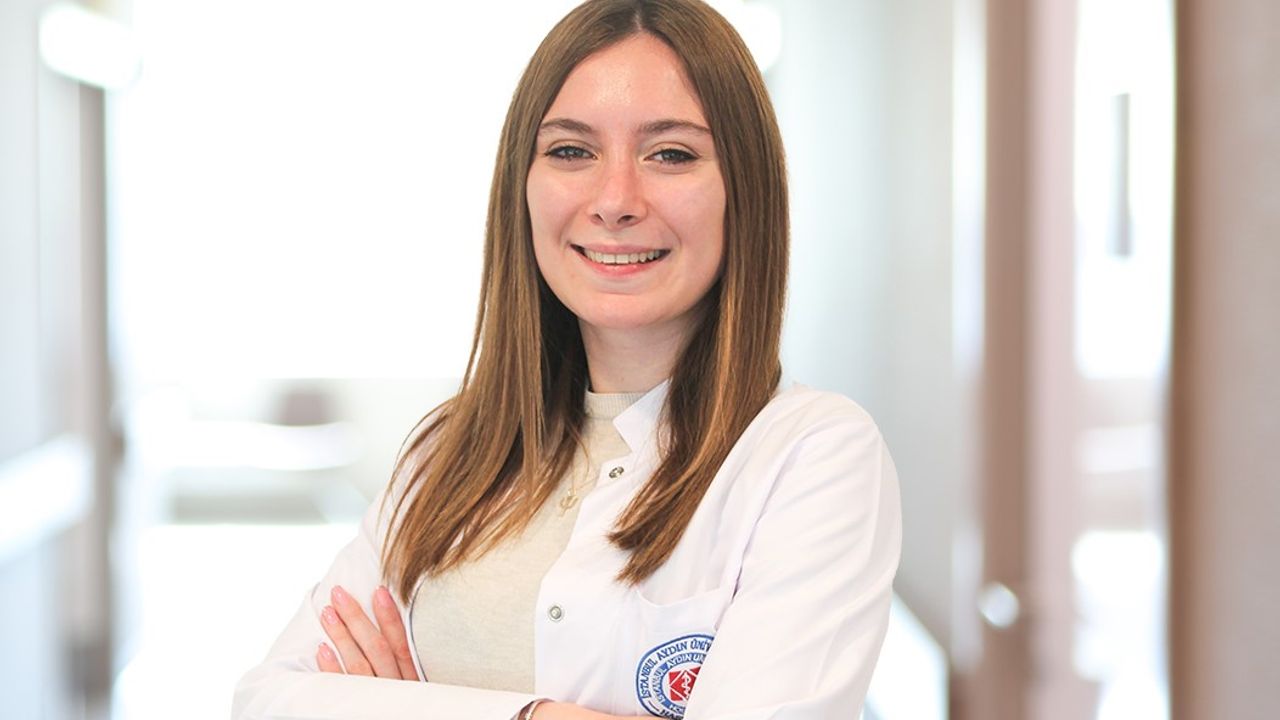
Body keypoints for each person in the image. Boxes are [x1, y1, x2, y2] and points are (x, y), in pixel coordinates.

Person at [232, 0, 901, 718]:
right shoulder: (447, 452)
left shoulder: (813, 456)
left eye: (671, 154)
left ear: (747, 189)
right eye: (571, 151)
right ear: (521, 185)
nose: (615, 201)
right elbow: (269, 700)